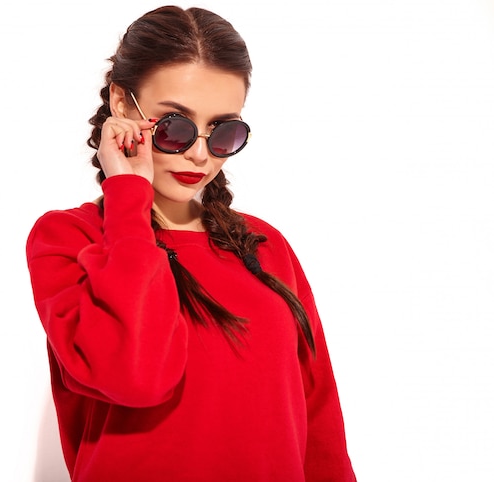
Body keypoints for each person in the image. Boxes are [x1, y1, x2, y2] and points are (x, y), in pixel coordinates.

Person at [26, 5, 356, 481]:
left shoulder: (265, 248)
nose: (200, 154)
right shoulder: (68, 238)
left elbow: (319, 417)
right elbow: (135, 375)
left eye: (224, 131)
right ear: (122, 104)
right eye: (174, 128)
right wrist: (127, 196)